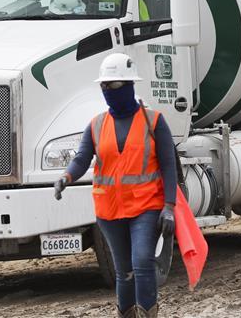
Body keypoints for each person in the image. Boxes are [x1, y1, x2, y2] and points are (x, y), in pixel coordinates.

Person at [54, 53, 177, 318]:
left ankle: (147, 313)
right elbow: (81, 158)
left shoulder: (154, 121)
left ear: (130, 85)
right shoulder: (97, 125)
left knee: (142, 261)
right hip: (109, 210)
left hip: (146, 206)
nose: (108, 91)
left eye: (114, 85)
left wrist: (169, 206)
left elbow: (169, 165)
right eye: (104, 86)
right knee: (124, 270)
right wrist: (66, 177)